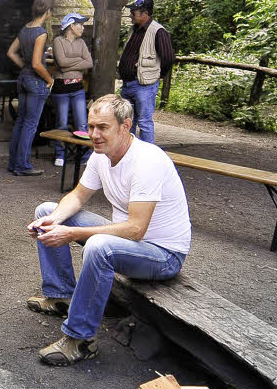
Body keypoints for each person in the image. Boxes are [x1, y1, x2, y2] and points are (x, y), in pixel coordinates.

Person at [26, 95, 190, 367]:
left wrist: (71, 234)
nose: (94, 134)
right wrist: (53, 221)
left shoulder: (147, 161)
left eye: (102, 127)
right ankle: (61, 295)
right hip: (131, 243)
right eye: (91, 127)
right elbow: (77, 196)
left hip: (163, 255)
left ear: (125, 127)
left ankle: (80, 340)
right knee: (45, 211)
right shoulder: (101, 155)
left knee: (99, 246)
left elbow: (137, 229)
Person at [117, 0, 176, 145]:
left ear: (144, 14)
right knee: (126, 122)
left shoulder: (158, 31)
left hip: (144, 86)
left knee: (144, 123)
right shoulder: (134, 29)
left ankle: (147, 161)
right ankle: (127, 155)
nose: (131, 15)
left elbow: (168, 58)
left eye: (134, 12)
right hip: (128, 84)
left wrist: (156, 75)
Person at [6, 0, 54, 176]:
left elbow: (11, 52)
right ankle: (23, 166)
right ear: (48, 12)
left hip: (23, 79)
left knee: (21, 121)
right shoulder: (41, 33)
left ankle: (13, 163)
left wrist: (23, 67)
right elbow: (36, 64)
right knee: (30, 124)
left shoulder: (26, 28)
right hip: (35, 82)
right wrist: (49, 79)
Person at [50, 13, 94, 168]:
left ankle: (84, 155)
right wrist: (78, 61)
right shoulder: (58, 41)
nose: (83, 28)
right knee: (61, 123)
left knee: (82, 124)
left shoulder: (81, 42)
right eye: (80, 24)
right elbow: (61, 63)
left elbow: (89, 63)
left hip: (78, 89)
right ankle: (60, 154)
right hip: (61, 89)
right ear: (71, 26)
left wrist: (68, 65)